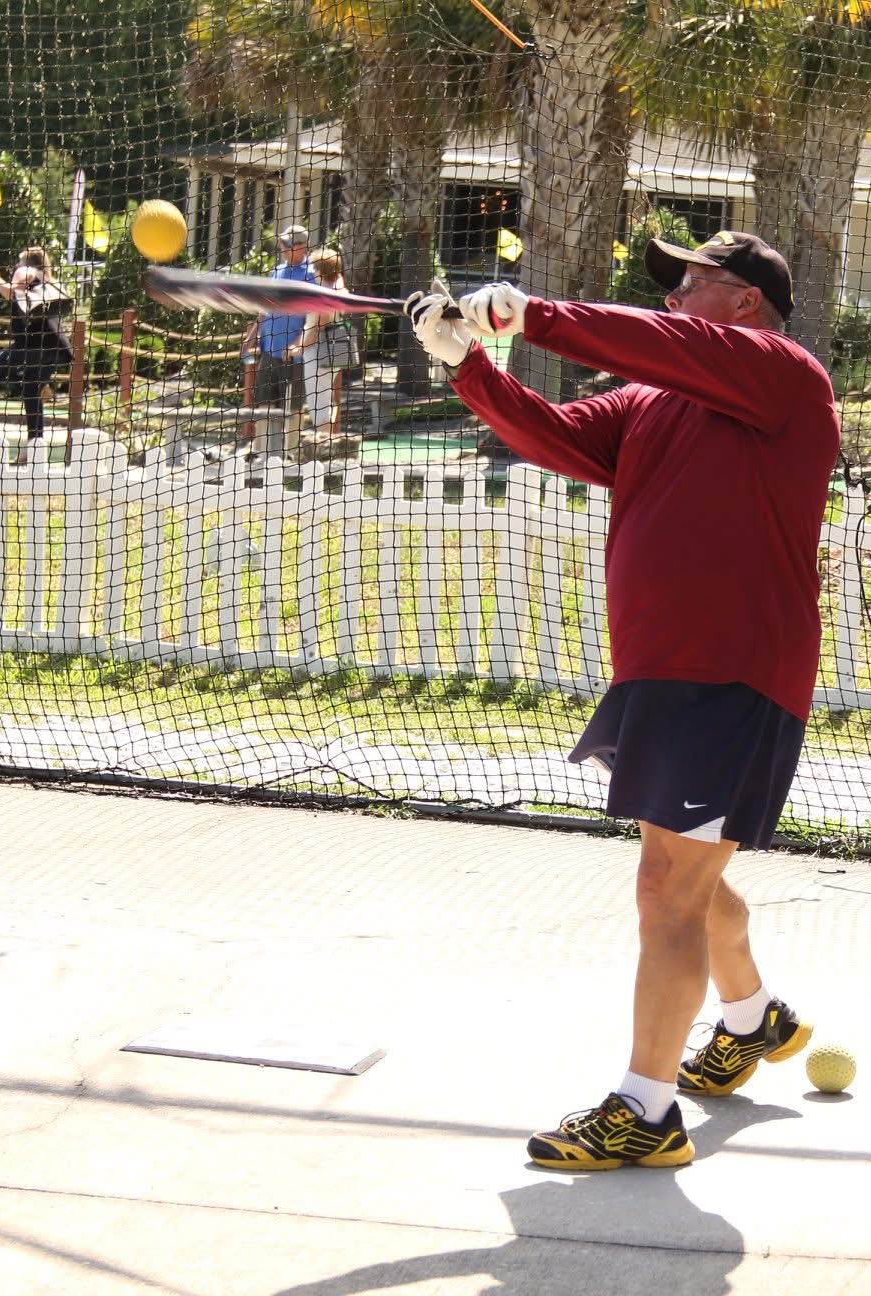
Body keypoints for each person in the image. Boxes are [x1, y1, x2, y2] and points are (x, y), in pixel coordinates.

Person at [405, 231, 840, 1171]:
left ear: (746, 303)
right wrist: (469, 365)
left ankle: (646, 1111)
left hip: (732, 672)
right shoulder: (652, 401)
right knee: (685, 873)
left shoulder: (785, 377)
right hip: (661, 668)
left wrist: (535, 316)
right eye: (671, 285)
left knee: (667, 889)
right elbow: (557, 438)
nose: (674, 296)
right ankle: (753, 1018)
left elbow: (660, 341)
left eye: (693, 281)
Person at [0, 246, 72, 465]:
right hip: (53, 348)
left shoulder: (27, 273)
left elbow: (12, 291)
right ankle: (34, 448)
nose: (17, 265)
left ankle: (34, 444)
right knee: (31, 394)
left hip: (33, 347)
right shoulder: (46, 281)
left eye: (20, 261)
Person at [240, 225, 316, 445]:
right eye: (282, 243)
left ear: (302, 246)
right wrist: (252, 336)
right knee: (264, 404)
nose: (283, 247)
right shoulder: (276, 271)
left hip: (294, 357)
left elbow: (314, 319)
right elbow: (265, 308)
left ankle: (290, 453)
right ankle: (261, 450)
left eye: (288, 244)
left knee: (292, 408)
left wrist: (297, 345)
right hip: (269, 351)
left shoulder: (311, 275)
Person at [290, 247, 360, 440]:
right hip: (335, 348)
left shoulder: (323, 294)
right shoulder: (338, 288)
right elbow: (338, 277)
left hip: (318, 351)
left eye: (314, 267)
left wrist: (299, 349)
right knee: (325, 398)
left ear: (319, 270)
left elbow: (319, 325)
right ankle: (328, 441)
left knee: (318, 402)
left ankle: (325, 444)